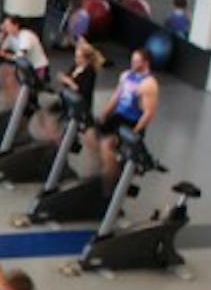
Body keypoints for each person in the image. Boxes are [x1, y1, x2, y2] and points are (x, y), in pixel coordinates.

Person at [96, 47, 160, 185]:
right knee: (94, 136)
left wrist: (134, 132)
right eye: (132, 60)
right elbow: (117, 96)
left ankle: (111, 184)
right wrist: (105, 114)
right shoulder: (126, 75)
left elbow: (149, 113)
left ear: (146, 63)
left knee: (106, 146)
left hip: (131, 122)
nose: (133, 64)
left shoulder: (149, 84)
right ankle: (111, 172)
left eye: (136, 61)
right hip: (118, 117)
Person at [39, 38, 104, 142]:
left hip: (80, 100)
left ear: (86, 59)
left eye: (79, 57)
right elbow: (67, 78)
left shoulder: (90, 71)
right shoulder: (75, 66)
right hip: (68, 95)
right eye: (76, 56)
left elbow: (82, 90)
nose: (76, 59)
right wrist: (64, 79)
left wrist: (69, 82)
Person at [0, 14, 49, 103]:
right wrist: (1, 36)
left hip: (38, 67)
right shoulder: (11, 37)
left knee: (31, 90)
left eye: (7, 26)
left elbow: (20, 56)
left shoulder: (26, 36)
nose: (5, 28)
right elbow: (1, 48)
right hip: (24, 67)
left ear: (16, 25)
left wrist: (3, 54)